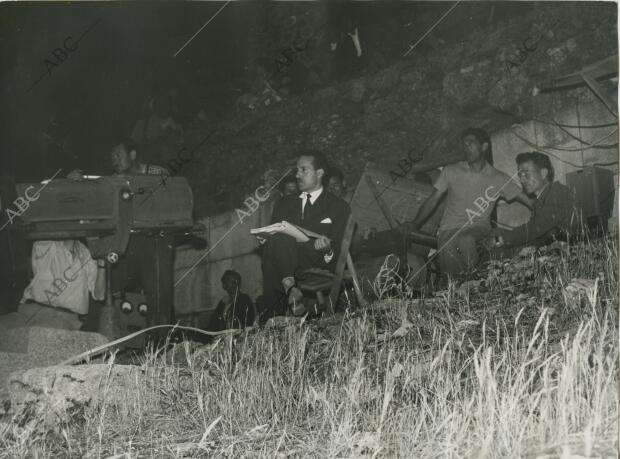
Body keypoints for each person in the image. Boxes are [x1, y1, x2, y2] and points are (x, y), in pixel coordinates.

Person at [68, 138, 174, 333]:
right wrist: (77, 184)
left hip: (154, 240)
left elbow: (170, 204)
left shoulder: (157, 173)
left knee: (159, 290)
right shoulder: (113, 181)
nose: (114, 160)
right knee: (106, 283)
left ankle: (161, 339)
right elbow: (93, 198)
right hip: (126, 243)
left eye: (118, 155)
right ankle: (99, 336)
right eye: (112, 157)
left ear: (132, 155)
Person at [400, 127, 532, 279]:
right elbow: (432, 200)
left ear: (484, 147)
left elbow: (527, 200)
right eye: (464, 144)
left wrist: (545, 210)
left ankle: (476, 280)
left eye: (471, 142)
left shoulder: (498, 178)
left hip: (479, 229)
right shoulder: (451, 171)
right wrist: (414, 224)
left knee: (466, 240)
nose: (466, 147)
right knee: (452, 278)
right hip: (449, 231)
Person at [259, 151, 351, 316]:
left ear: (319, 173)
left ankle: (275, 313)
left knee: (276, 248)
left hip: (316, 261)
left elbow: (338, 251)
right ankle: (291, 290)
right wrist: (266, 237)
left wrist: (328, 250)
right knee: (275, 243)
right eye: (297, 170)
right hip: (286, 258)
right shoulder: (283, 204)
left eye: (303, 170)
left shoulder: (339, 207)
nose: (298, 175)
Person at [484, 151, 582, 251]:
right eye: (520, 175)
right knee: (495, 233)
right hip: (556, 248)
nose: (522, 179)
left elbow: (535, 228)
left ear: (544, 173)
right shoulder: (541, 199)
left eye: (526, 174)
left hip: (574, 249)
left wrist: (501, 239)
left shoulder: (557, 193)